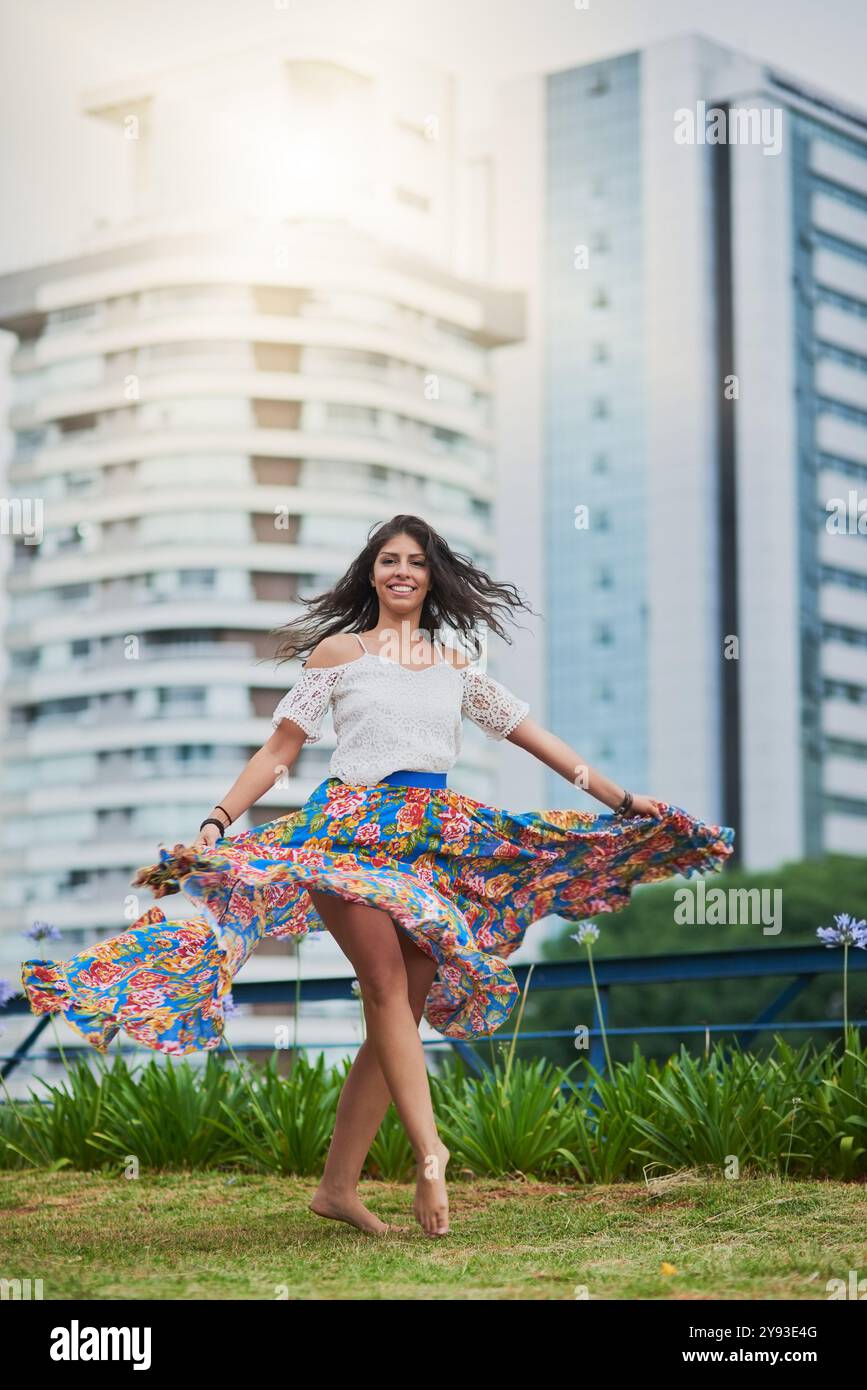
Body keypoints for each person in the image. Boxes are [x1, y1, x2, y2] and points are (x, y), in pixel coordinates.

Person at [21, 513, 735, 1238]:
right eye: (388, 559)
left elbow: (535, 738)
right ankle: (431, 1154)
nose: (402, 571)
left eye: (416, 561)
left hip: (430, 844)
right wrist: (217, 819)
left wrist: (618, 799)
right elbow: (280, 751)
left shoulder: (456, 665)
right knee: (386, 989)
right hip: (348, 836)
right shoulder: (340, 652)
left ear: (432, 575)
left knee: (399, 1011)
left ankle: (337, 1189)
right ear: (372, 572)